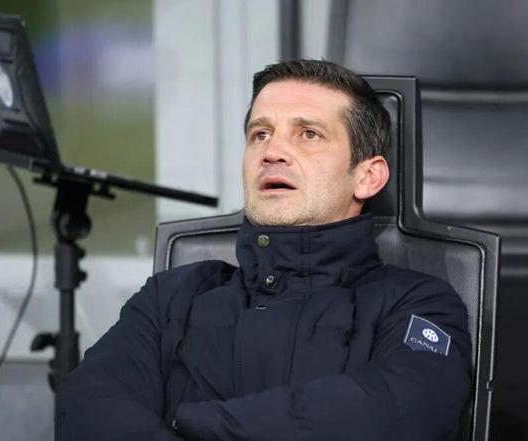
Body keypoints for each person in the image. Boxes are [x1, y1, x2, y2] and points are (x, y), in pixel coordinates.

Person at [55, 59, 471, 441]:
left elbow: (392, 415)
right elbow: (87, 407)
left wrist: (187, 423)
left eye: (309, 134)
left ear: (367, 177)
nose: (272, 152)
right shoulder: (171, 296)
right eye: (260, 134)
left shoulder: (421, 304)